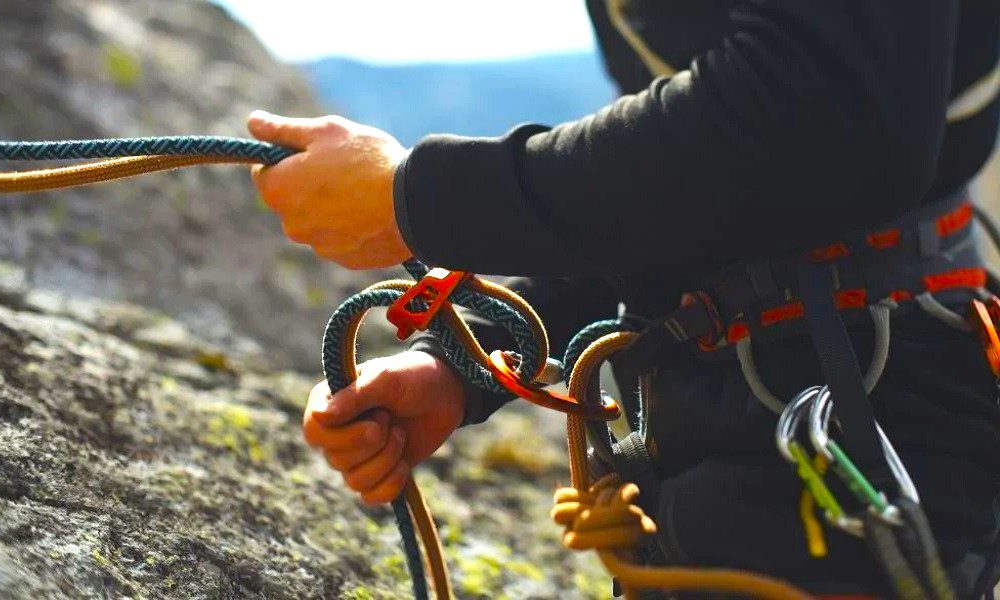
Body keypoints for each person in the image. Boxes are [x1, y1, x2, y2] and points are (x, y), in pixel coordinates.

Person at [249, 1, 1000, 595]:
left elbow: (828, 114)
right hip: (780, 440)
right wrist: (463, 359)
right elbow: (691, 186)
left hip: (850, 439)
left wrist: (418, 198)